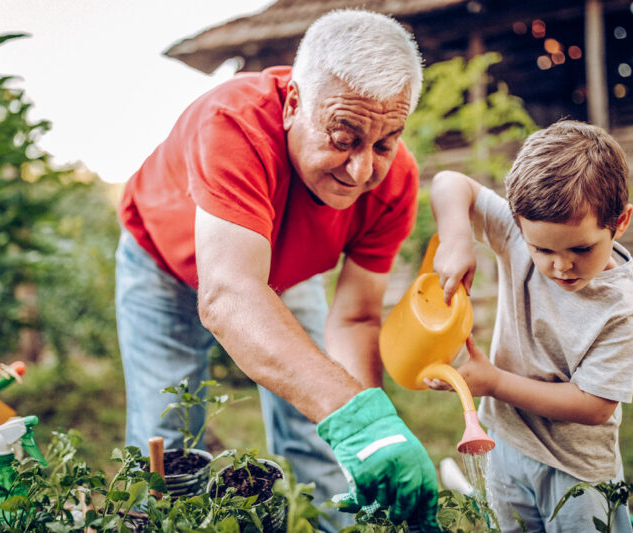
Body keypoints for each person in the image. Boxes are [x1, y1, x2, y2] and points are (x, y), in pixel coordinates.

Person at [115, 9, 441, 532]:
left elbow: (355, 319)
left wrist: (374, 430)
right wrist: (356, 416)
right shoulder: (234, 123)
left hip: (283, 274)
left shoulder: (394, 182)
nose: (362, 171)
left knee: (322, 431)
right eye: (343, 136)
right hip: (163, 265)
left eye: (384, 142)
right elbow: (230, 294)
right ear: (293, 104)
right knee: (170, 439)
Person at [428, 120, 633, 533]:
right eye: (542, 249)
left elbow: (595, 406)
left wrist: (493, 382)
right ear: (518, 223)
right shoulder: (513, 232)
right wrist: (458, 238)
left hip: (577, 471)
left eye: (582, 248)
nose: (561, 266)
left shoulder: (620, 304)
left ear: (621, 221)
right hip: (506, 443)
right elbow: (449, 182)